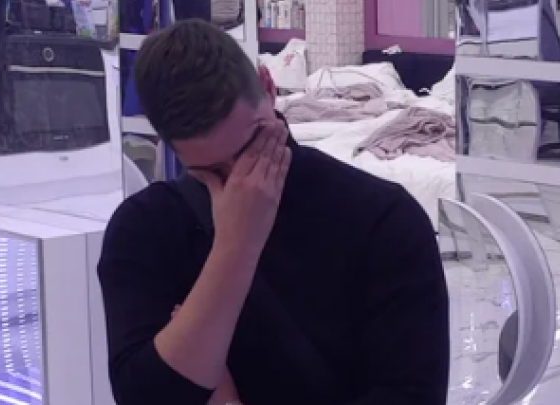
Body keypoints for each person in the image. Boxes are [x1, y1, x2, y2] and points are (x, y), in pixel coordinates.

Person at [98, 19, 450, 405]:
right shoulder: (144, 230)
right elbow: (143, 396)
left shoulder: (384, 219)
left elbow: (411, 395)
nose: (243, 182)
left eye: (252, 145)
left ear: (268, 88)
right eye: (213, 171)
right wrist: (235, 248)